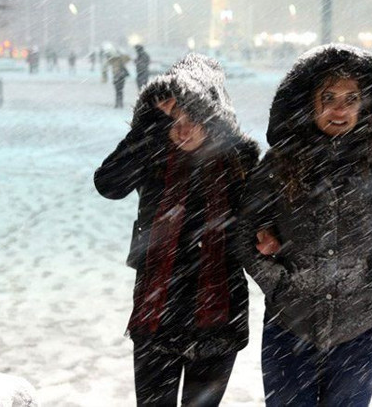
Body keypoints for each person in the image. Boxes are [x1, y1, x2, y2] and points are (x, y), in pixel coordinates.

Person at [241, 44, 372, 406]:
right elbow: (243, 229)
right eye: (328, 98)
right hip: (289, 330)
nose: (340, 110)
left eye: (351, 98)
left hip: (359, 333)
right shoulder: (278, 163)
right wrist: (278, 282)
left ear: (365, 104)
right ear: (309, 103)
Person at [94, 54, 260, 406]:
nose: (183, 130)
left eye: (194, 118)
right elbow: (108, 184)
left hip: (218, 315)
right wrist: (148, 128)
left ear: (213, 117)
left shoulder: (238, 160)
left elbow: (264, 219)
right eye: (174, 119)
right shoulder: (153, 153)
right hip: (157, 313)